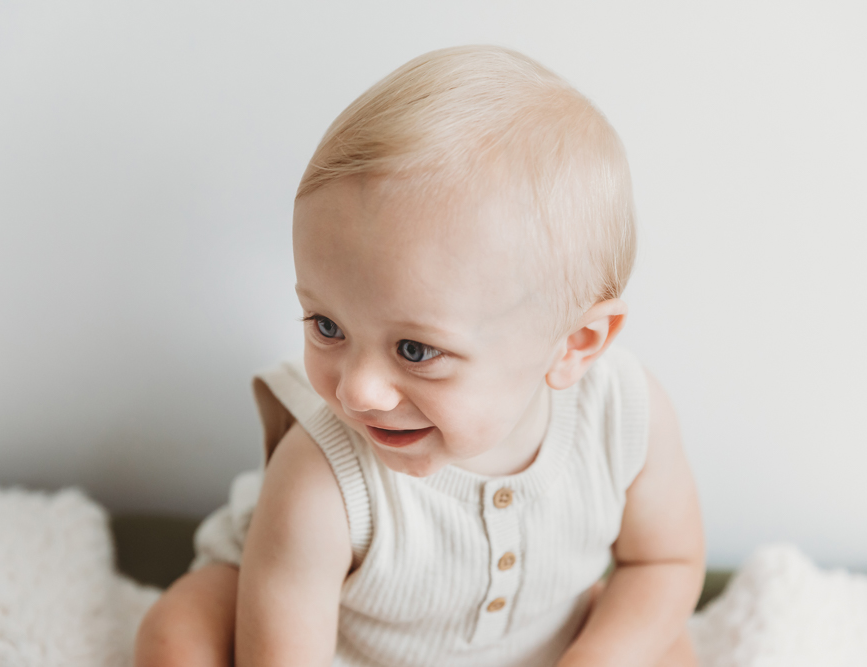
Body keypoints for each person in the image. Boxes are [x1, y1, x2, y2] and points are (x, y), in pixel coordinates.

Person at [135, 45, 704, 667]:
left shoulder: (624, 415)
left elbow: (664, 561)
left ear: (574, 345)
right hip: (324, 641)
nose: (358, 392)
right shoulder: (320, 483)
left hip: (541, 642)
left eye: (415, 350)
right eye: (327, 324)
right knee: (179, 631)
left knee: (666, 647)